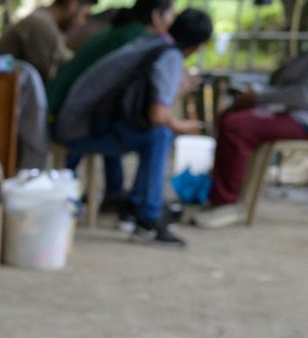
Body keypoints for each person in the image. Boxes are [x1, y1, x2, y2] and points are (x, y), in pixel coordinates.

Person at [54, 8, 213, 246]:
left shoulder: (150, 43)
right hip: (80, 129)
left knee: (154, 133)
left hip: (74, 121)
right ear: (197, 46)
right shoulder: (169, 56)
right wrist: (183, 125)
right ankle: (147, 218)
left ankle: (138, 204)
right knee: (159, 135)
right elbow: (158, 114)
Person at [48, 0, 178, 216]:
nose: (172, 22)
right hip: (67, 119)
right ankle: (145, 211)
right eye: (171, 15)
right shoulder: (139, 41)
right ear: (157, 16)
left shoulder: (123, 33)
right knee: (158, 135)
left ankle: (114, 193)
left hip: (62, 113)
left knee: (116, 122)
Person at [193, 53, 308, 228]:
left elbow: (301, 95)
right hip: (290, 111)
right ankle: (221, 192)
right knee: (230, 115)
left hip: (302, 119)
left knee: (237, 126)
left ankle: (228, 202)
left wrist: (257, 97)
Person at [0, 0, 98, 84]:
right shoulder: (41, 25)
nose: (82, 23)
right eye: (85, 15)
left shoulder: (50, 26)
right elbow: (48, 79)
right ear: (72, 4)